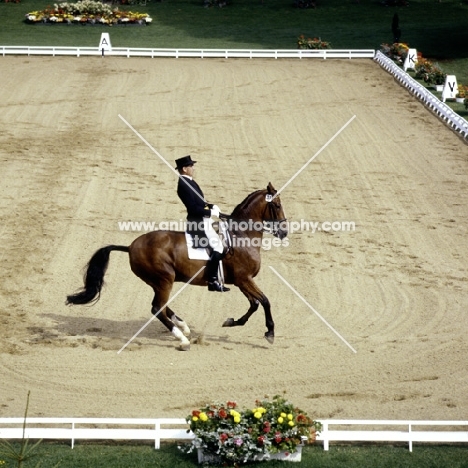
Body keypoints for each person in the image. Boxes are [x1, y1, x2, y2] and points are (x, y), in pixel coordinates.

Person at [175, 155, 230, 293]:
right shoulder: (183, 185)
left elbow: (201, 202)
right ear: (184, 169)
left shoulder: (190, 182)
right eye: (191, 166)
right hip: (198, 223)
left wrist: (212, 206)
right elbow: (193, 208)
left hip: (204, 220)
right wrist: (209, 212)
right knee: (218, 246)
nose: (193, 168)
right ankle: (212, 280)